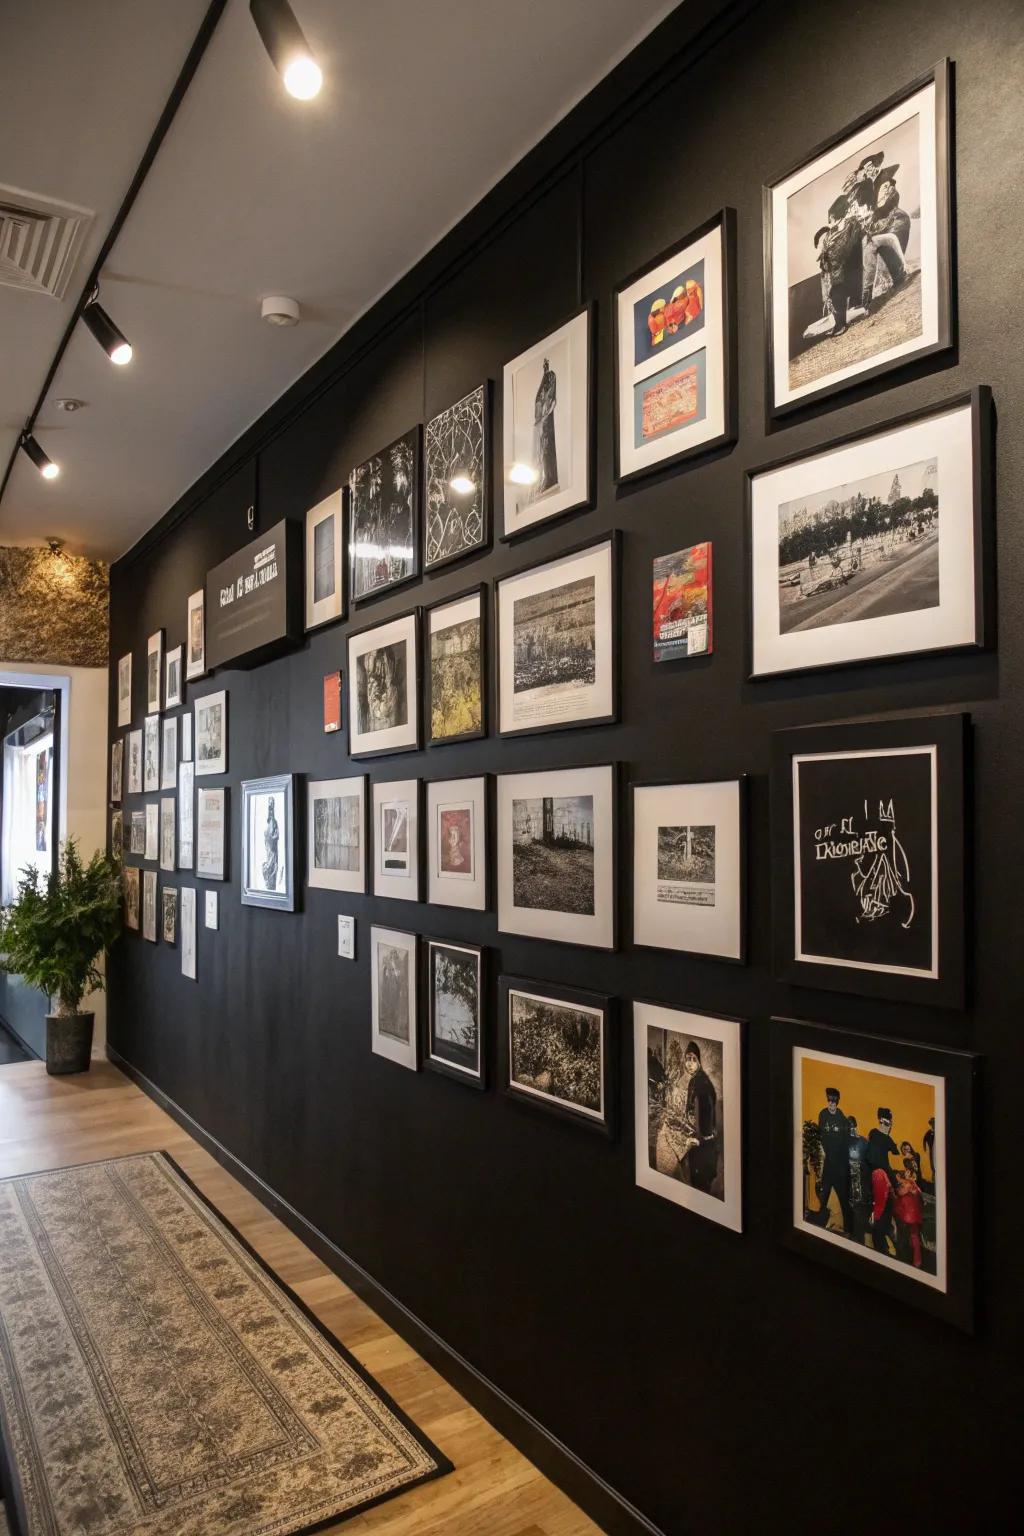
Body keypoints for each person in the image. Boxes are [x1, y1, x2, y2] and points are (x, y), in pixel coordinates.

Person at [848, 180, 907, 307]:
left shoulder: (882, 202)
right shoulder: (868, 208)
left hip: (894, 225)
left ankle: (897, 277)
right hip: (882, 231)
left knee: (876, 247)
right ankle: (866, 298)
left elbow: (884, 221)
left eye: (857, 197)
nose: (856, 202)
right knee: (868, 253)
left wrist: (868, 224)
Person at [679, 1041, 718, 1193]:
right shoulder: (696, 1080)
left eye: (694, 1059)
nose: (689, 1063)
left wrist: (699, 1139)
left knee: (700, 1186)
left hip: (703, 1144)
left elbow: (706, 1114)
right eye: (687, 1059)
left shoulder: (701, 1083)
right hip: (700, 1142)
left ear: (699, 1062)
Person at [815, 1087, 853, 1232]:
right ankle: (818, 1227)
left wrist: (844, 1167)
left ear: (837, 1102)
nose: (831, 1103)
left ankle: (849, 1229)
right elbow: (820, 1136)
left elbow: (846, 1142)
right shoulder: (823, 1114)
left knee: (843, 1199)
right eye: (829, 1100)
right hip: (828, 1165)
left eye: (834, 1101)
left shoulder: (842, 1118)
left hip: (839, 1167)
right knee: (823, 1197)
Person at [866, 1107, 900, 1256]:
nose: (888, 1127)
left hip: (873, 1177)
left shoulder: (873, 1133)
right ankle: (881, 1246)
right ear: (882, 1121)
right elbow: (895, 1151)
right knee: (882, 1211)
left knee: (879, 1211)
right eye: (887, 1123)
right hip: (879, 1178)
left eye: (888, 1124)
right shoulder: (884, 1138)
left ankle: (880, 1243)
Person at [892, 1157, 926, 1268]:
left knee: (906, 1238)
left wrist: (898, 1181)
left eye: (907, 1171)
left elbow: (900, 1192)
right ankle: (917, 1260)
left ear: (910, 1173)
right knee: (914, 1237)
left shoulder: (908, 1184)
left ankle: (910, 1260)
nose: (905, 1172)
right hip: (914, 1216)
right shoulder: (914, 1185)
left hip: (907, 1217)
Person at [532, 358, 558, 495]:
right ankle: (544, 480)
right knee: (542, 452)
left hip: (547, 424)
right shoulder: (543, 387)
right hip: (543, 424)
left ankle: (549, 479)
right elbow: (539, 402)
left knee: (546, 451)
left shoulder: (551, 378)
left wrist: (545, 415)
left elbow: (551, 401)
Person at [847, 1115, 872, 1244]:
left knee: (858, 1211)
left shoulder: (863, 1142)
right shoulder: (844, 1141)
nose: (851, 1129)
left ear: (856, 1126)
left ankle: (858, 1240)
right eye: (848, 1127)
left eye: (852, 1126)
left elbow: (869, 1162)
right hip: (848, 1183)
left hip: (860, 1182)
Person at [262, 798, 279, 891]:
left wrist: (272, 836)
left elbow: (275, 837)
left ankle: (271, 885)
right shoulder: (270, 822)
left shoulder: (273, 822)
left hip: (272, 849)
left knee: (271, 863)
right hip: (270, 849)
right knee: (270, 863)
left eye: (271, 805)